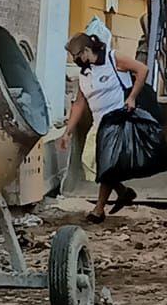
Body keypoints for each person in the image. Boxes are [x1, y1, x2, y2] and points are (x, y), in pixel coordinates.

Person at [60, 25, 149, 223]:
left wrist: (132, 97)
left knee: (106, 165)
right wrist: (68, 131)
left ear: (85, 51)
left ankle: (99, 210)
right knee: (90, 161)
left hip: (117, 120)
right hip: (99, 122)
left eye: (75, 56)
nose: (74, 60)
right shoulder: (84, 74)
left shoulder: (112, 58)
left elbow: (142, 69)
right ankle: (123, 192)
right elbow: (79, 103)